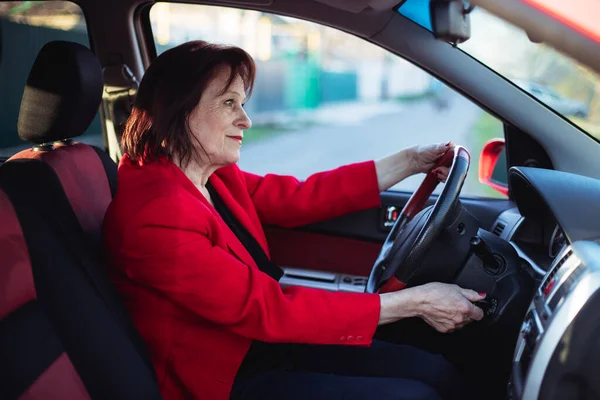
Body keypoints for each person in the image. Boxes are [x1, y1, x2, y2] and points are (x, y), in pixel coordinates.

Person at [102, 40, 485, 400]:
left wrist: (409, 162)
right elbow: (266, 308)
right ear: (179, 110)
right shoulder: (152, 216)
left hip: (261, 343)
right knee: (416, 395)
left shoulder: (210, 175)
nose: (246, 120)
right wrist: (416, 302)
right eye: (229, 103)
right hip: (224, 378)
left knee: (434, 371)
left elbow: (302, 198)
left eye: (243, 103)